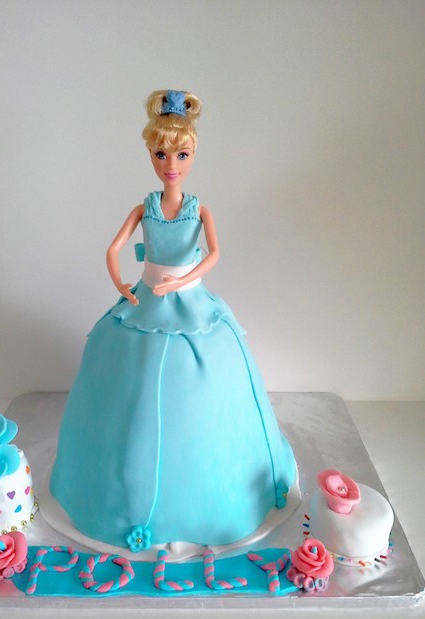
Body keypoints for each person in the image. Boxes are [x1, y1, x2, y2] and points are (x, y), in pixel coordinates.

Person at [48, 90, 297, 558]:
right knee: (123, 376)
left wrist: (182, 280)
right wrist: (122, 285)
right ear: (150, 154)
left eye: (181, 155)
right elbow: (112, 249)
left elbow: (216, 254)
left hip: (191, 304)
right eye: (161, 154)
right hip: (144, 303)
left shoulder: (200, 210)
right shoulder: (142, 208)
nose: (171, 164)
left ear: (193, 154)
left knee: (210, 380)